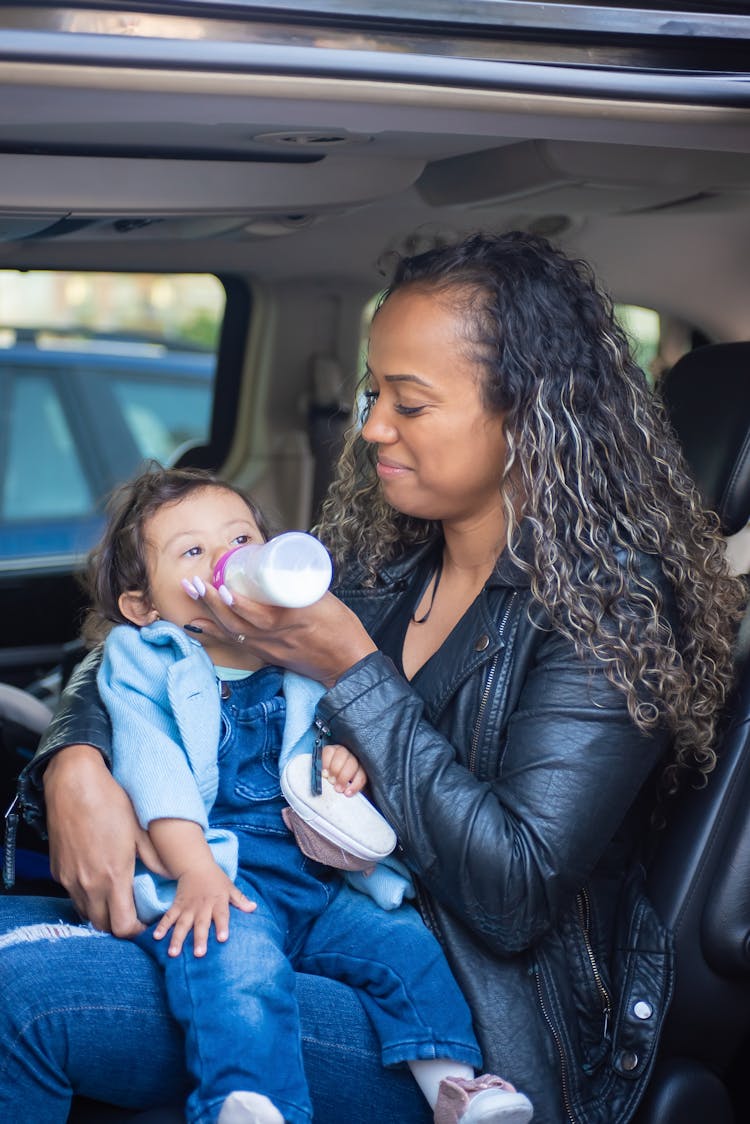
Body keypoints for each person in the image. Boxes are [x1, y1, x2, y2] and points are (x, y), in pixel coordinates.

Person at [1, 231, 745, 1124]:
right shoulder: (381, 560)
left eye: (411, 403)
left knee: (20, 996)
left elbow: (513, 894)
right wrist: (74, 763)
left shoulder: (609, 608)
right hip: (293, 913)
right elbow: (172, 652)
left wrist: (351, 669)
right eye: (372, 391)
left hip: (466, 1021)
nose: (373, 426)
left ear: (526, 414)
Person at [46, 463, 533, 1124]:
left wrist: (342, 762)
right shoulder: (147, 660)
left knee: (406, 949)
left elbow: (331, 734)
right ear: (144, 605)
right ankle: (250, 1101)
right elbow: (155, 775)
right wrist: (196, 874)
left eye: (241, 541)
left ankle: (456, 1085)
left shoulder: (295, 645)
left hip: (318, 883)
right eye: (194, 552)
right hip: (223, 876)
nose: (227, 562)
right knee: (236, 967)